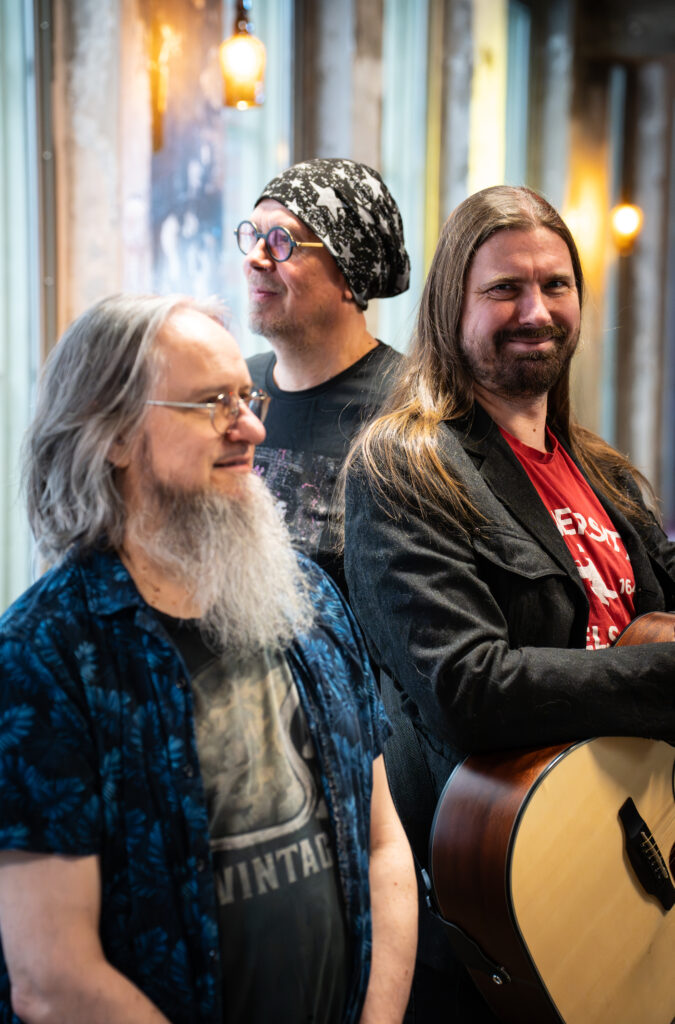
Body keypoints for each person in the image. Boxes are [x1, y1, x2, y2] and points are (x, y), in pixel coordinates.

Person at [0, 294, 417, 1024]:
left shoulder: (308, 598)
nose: (251, 427)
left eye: (247, 398)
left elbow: (383, 847)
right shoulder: (41, 656)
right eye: (212, 403)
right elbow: (53, 977)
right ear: (113, 433)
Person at [342, 185, 675, 1022]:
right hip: (503, 895)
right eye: (504, 289)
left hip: (627, 857)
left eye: (555, 285)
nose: (536, 311)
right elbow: (467, 687)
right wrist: (657, 669)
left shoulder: (603, 473)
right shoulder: (406, 466)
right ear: (450, 306)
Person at [237, 157, 410, 592]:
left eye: (282, 241)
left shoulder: (411, 405)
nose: (254, 258)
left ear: (351, 272)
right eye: (253, 236)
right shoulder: (233, 390)